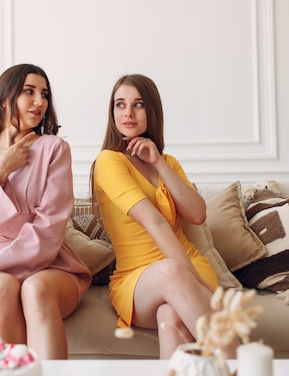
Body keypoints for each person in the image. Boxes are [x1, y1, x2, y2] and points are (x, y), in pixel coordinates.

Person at [0, 63, 91, 359]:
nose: (40, 101)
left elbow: (49, 229)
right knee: (0, 289)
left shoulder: (54, 149)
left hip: (50, 261)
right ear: (5, 99)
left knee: (36, 288)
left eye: (45, 94)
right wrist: (0, 172)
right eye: (29, 92)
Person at [91, 74, 219, 359]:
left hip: (191, 265)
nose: (128, 113)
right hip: (139, 282)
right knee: (171, 272)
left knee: (171, 315)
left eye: (137, 105)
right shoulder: (109, 160)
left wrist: (159, 162)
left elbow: (198, 214)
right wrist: (198, 286)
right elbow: (154, 221)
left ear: (151, 111)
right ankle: (242, 371)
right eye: (120, 104)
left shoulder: (168, 162)